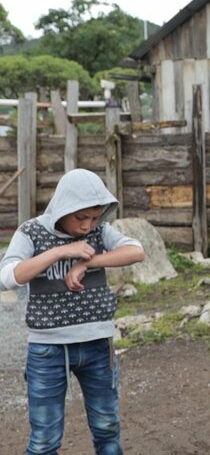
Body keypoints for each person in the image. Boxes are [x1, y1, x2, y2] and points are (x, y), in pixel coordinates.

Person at [0, 168, 146, 455]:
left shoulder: (100, 232)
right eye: (81, 218)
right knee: (44, 439)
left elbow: (136, 250)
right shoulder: (31, 231)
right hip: (47, 349)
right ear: (62, 207)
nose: (87, 226)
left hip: (97, 344)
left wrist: (89, 262)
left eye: (94, 217)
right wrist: (59, 253)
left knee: (107, 430)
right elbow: (7, 276)